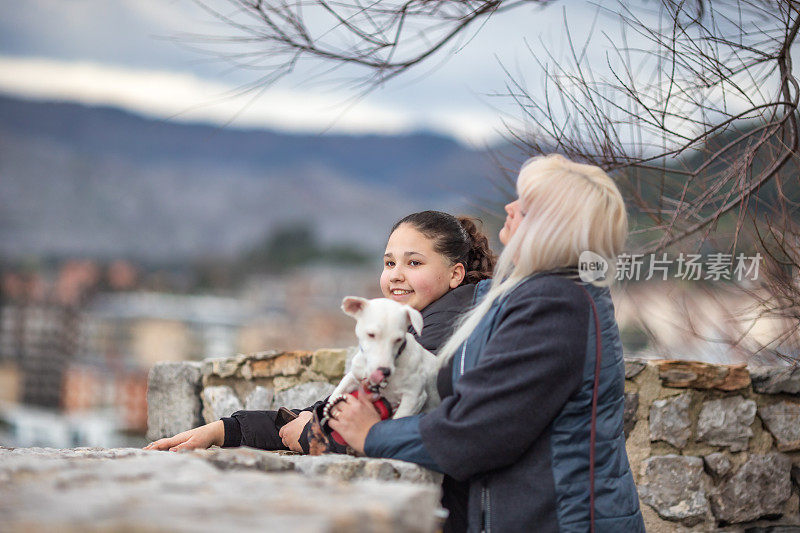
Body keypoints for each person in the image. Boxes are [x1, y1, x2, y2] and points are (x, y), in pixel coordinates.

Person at [328, 154, 646, 532]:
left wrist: (372, 434)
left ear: (555, 225)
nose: (510, 207)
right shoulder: (547, 294)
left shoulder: (556, 304)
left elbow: (479, 430)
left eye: (525, 206)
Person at [144, 211, 495, 458]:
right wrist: (225, 430)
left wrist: (313, 436)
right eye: (389, 263)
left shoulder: (445, 336)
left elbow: (378, 424)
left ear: (455, 274)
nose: (396, 275)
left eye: (414, 263)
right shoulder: (427, 323)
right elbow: (334, 410)